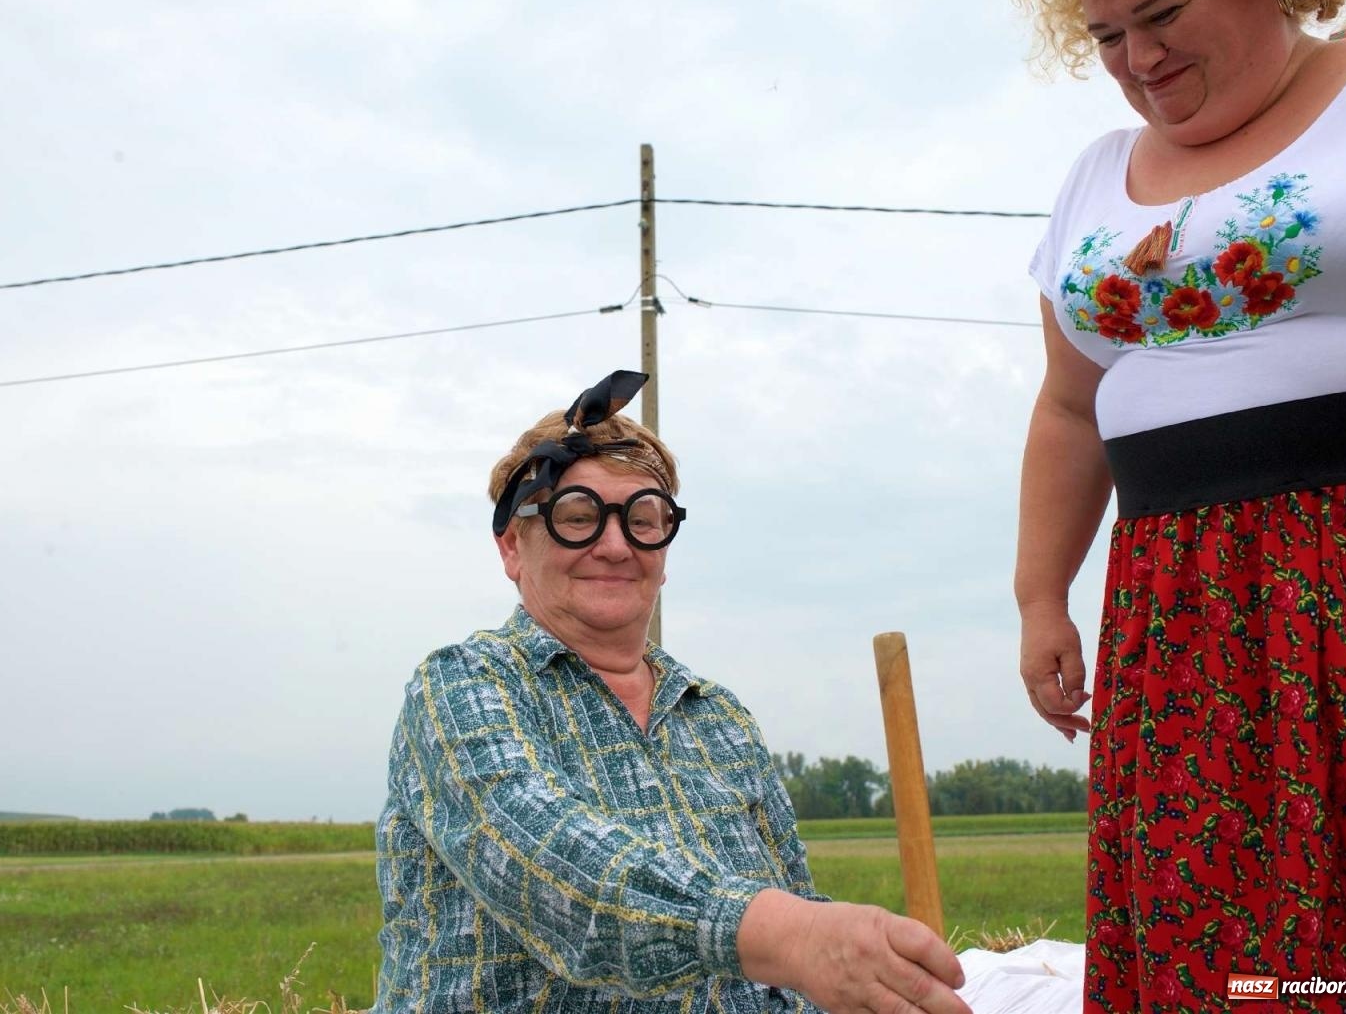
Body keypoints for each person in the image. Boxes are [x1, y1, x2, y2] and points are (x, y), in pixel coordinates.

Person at [1014, 0, 1346, 1009]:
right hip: (1177, 605)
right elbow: (1065, 405)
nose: (1137, 57)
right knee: (1216, 929)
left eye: (1162, 12)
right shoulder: (1094, 174)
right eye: (1103, 36)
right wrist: (1040, 594)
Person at [372, 370, 970, 1013]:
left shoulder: (719, 718)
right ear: (513, 546)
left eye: (642, 518)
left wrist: (878, 974)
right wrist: (795, 937)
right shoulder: (464, 684)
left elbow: (799, 928)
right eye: (577, 517)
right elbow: (557, 875)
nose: (613, 544)